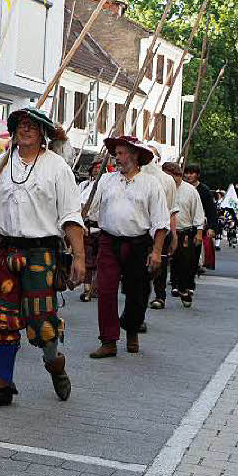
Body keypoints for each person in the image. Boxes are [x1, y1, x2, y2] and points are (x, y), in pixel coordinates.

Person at [0, 108, 85, 409]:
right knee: (1, 320)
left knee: (42, 324)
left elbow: (71, 216)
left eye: (31, 126)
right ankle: (4, 384)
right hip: (5, 252)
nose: (24, 130)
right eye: (20, 125)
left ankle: (55, 364)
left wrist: (79, 257)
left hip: (41, 253)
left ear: (43, 134)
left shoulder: (57, 167)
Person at [88, 136, 169, 358]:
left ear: (135, 156)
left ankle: (132, 329)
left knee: (138, 293)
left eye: (122, 153)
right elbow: (87, 207)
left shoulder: (151, 184)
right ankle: (108, 340)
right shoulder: (105, 181)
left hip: (139, 244)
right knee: (105, 291)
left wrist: (156, 252)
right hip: (108, 241)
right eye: (116, 153)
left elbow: (160, 221)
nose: (117, 157)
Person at [162, 162, 204, 307]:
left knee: (185, 264)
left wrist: (199, 233)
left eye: (175, 177)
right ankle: (160, 296)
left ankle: (183, 288)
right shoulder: (161, 189)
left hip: (184, 232)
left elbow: (198, 213)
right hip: (164, 231)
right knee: (162, 265)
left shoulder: (191, 191)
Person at [147, 146, 178, 312]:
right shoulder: (136, 177)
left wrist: (174, 235)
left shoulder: (167, 180)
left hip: (161, 229)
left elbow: (172, 210)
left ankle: (160, 295)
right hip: (141, 230)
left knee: (161, 262)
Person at [77, 159, 103, 303]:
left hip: (100, 228)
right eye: (95, 167)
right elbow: (78, 202)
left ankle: (96, 287)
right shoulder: (84, 185)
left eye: (100, 167)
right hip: (86, 226)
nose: (97, 170)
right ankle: (87, 289)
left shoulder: (105, 186)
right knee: (87, 259)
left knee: (100, 260)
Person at [185, 163, 218, 270]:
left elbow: (211, 210)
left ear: (197, 175)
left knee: (195, 248)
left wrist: (212, 227)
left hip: (198, 224)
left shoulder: (204, 190)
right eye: (187, 173)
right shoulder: (182, 187)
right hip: (183, 223)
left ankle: (194, 268)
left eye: (191, 173)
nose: (189, 176)